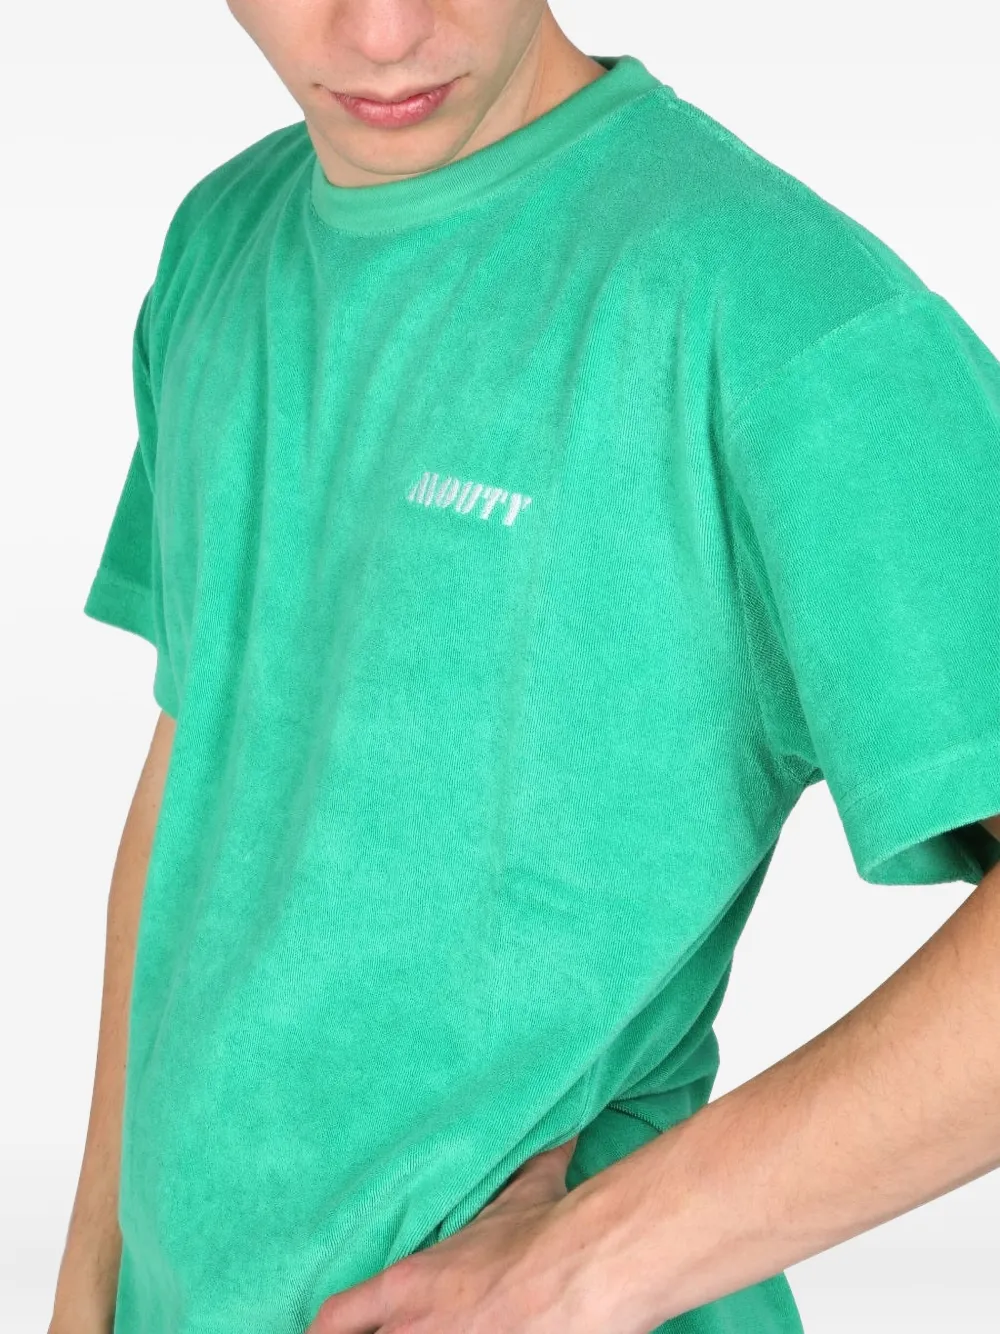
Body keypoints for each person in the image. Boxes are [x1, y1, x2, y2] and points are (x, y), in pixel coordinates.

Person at [51, 3, 1000, 1332]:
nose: (383, 34)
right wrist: (89, 1283)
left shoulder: (791, 316)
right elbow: (199, 773)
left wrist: (591, 1264)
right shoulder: (221, 243)